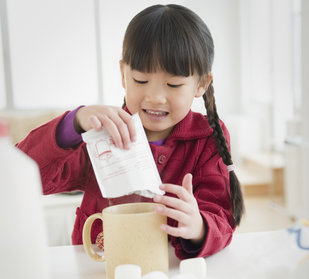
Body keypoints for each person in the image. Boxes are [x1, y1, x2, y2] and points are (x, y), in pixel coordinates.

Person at [17, 4, 244, 259]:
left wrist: (199, 226)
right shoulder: (101, 132)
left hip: (171, 277)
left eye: (173, 84)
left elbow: (222, 217)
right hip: (98, 273)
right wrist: (74, 123)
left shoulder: (208, 137)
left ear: (201, 84)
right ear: (124, 75)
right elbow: (20, 175)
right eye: (141, 80)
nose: (156, 97)